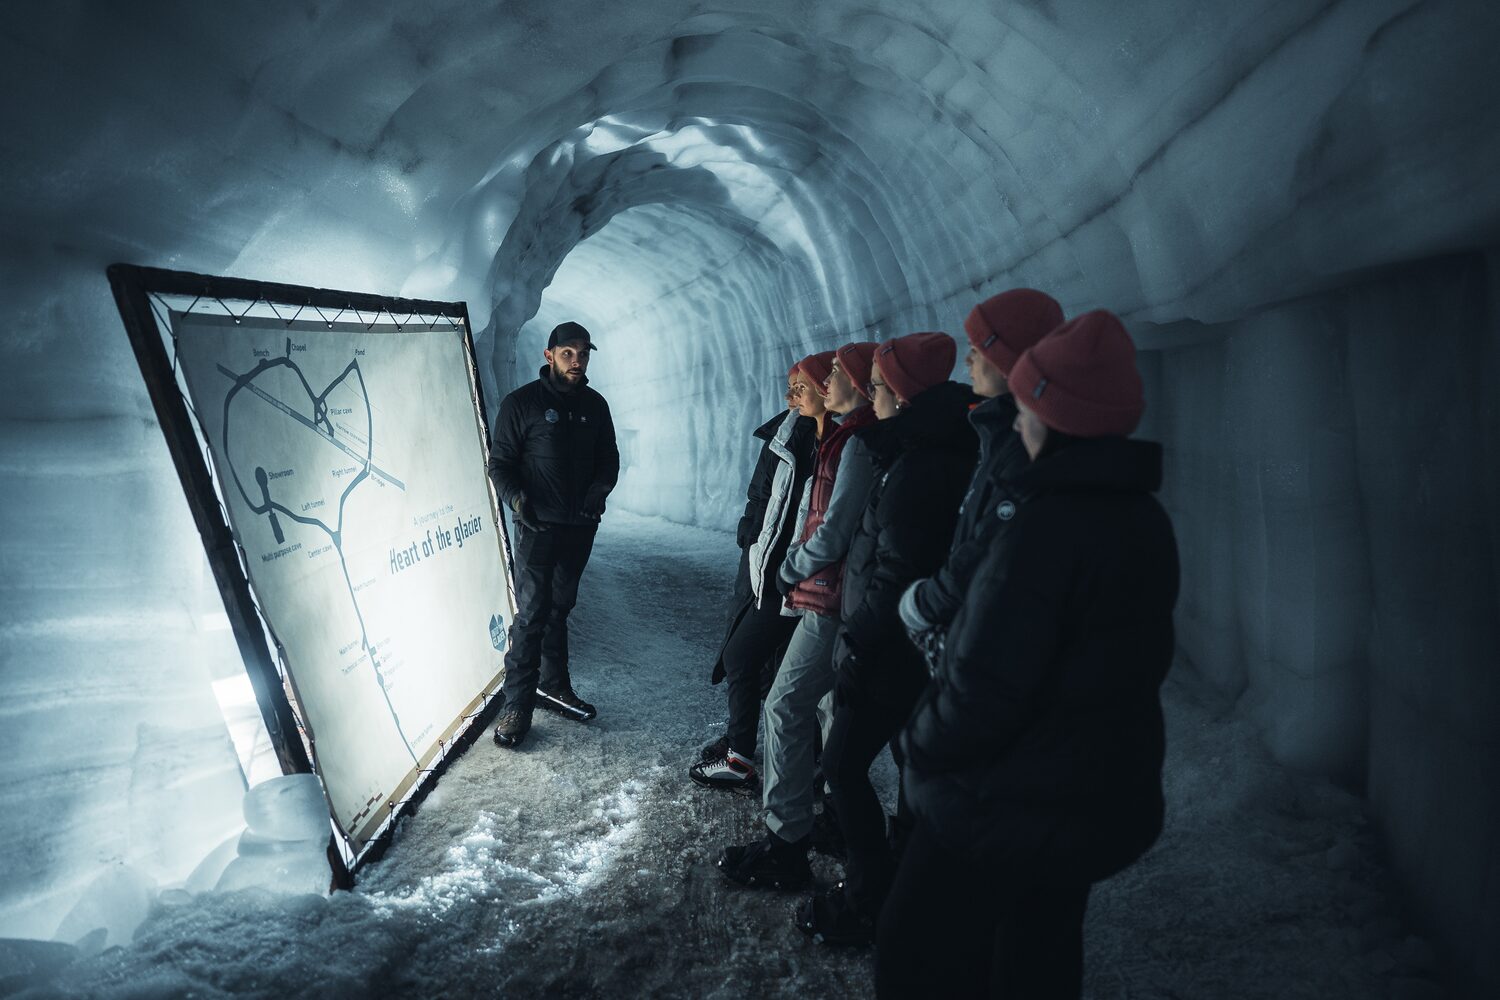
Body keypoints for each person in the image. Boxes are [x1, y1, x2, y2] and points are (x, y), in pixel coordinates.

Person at [878, 311, 1180, 998]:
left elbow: (983, 686)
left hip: (1011, 797)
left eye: (1027, 408)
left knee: (912, 951)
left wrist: (917, 746)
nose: (1017, 422)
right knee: (1036, 954)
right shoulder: (1143, 517)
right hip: (1091, 790)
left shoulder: (1043, 528)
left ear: (1056, 415)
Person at [795, 331, 978, 946]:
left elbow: (895, 571)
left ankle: (869, 898)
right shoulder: (920, 451)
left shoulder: (919, 466)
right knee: (899, 763)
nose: (869, 395)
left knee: (842, 765)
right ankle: (898, 886)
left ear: (901, 394)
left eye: (876, 385)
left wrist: (857, 643)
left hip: (888, 647)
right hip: (899, 644)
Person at [716, 343, 878, 889]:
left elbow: (830, 529)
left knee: (785, 702)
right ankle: (830, 816)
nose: (816, 387)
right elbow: (768, 500)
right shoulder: (828, 437)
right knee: (826, 705)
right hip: (822, 589)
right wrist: (756, 542)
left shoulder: (853, 442)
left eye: (829, 376)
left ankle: (787, 841)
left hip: (824, 593)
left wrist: (788, 569)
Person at [897, 289, 1065, 663]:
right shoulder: (996, 432)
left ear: (1008, 360)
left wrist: (924, 605)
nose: (968, 359)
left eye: (977, 349)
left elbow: (986, 549)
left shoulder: (1021, 446)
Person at [486, 321, 619, 749]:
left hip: (580, 525)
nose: (577, 361)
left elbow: (609, 459)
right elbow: (499, 464)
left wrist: (599, 490)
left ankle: (555, 685)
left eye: (583, 353)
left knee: (560, 608)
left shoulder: (595, 406)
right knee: (532, 615)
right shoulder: (521, 403)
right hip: (537, 526)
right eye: (568, 353)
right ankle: (516, 705)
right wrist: (517, 500)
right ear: (549, 356)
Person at [691, 364, 816, 793]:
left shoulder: (839, 443)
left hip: (800, 576)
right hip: (766, 563)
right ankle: (747, 746)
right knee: (755, 658)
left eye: (801, 388)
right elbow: (761, 491)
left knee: (760, 661)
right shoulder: (784, 433)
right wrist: (750, 530)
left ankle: (755, 756)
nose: (790, 397)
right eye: (790, 387)